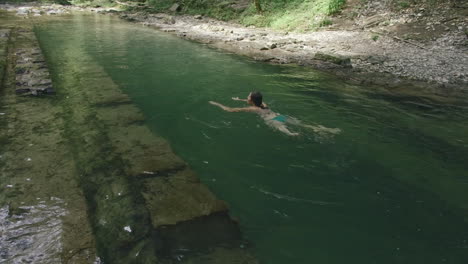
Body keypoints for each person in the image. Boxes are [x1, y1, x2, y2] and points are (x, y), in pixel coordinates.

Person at [209, 91, 300, 136]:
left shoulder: (252, 109)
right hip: (277, 116)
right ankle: (312, 127)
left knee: (283, 129)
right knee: (296, 123)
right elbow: (252, 101)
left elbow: (230, 110)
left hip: (271, 120)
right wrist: (239, 99)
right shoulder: (263, 104)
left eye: (248, 96)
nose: (247, 97)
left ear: (251, 100)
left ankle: (291, 134)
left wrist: (217, 104)